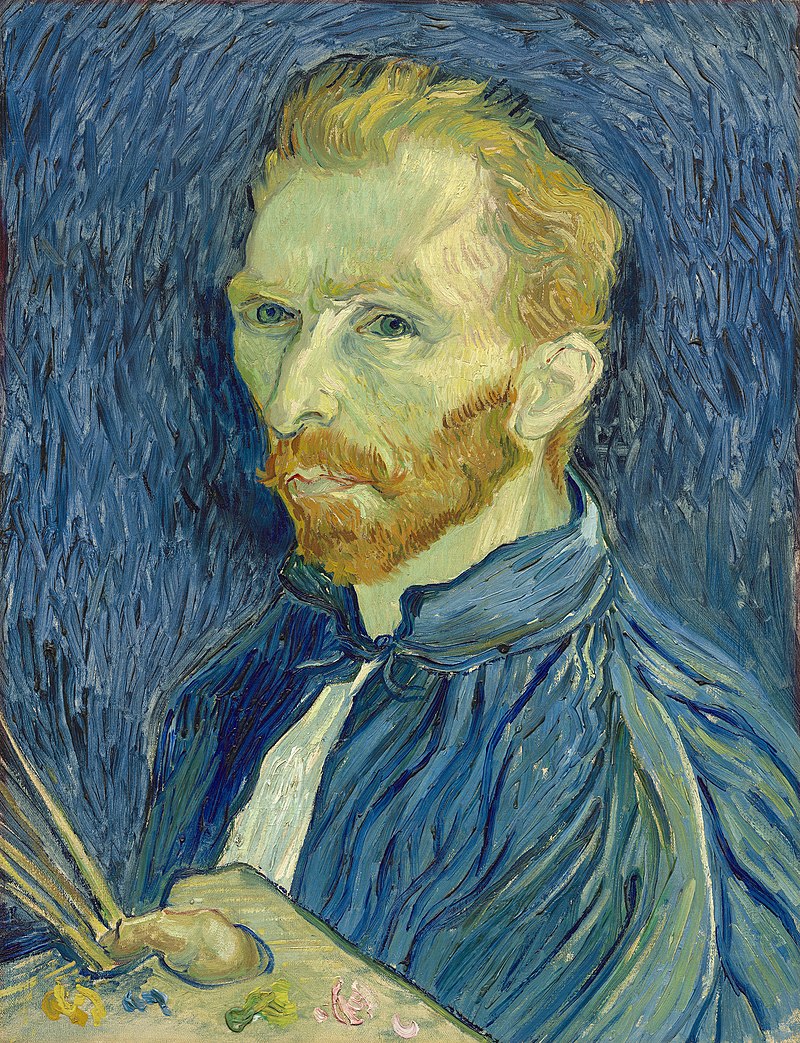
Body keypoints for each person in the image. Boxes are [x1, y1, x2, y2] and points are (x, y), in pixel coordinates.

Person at [115, 57, 800, 1042]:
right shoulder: (228, 697)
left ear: (547, 386)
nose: (294, 396)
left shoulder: (658, 783)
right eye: (273, 317)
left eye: (388, 326)